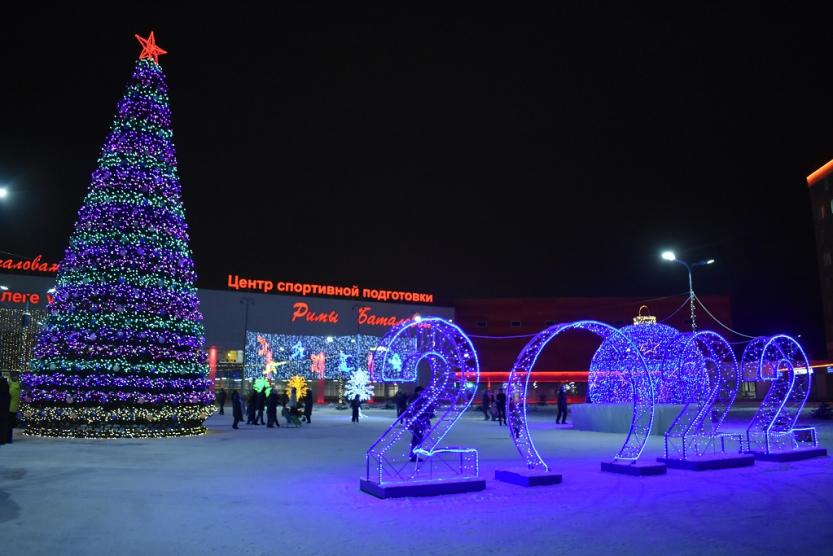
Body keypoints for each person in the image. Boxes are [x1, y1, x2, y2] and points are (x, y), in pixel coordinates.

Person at [407, 386, 433, 461]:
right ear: (419, 392)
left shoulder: (415, 399)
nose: (424, 393)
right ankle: (413, 455)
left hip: (417, 422)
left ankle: (413, 455)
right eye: (422, 392)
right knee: (417, 439)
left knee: (417, 438)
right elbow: (424, 410)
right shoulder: (419, 400)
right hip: (418, 422)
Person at [8, 372, 20, 443]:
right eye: (15, 376)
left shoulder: (18, 384)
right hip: (10, 407)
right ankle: (9, 438)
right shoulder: (9, 384)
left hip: (15, 406)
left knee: (11, 423)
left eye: (17, 376)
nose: (16, 377)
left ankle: (9, 438)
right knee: (10, 423)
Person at [0, 376, 10, 445]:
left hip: (3, 405)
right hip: (4, 406)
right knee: (3, 424)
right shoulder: (4, 383)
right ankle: (3, 439)